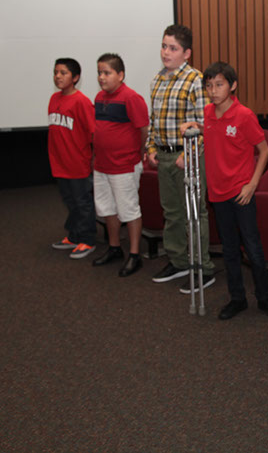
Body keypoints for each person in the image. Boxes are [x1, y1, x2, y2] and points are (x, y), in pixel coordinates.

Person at [180, 61, 268, 319]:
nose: (213, 91)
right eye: (209, 86)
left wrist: (252, 184)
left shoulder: (244, 115)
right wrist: (196, 127)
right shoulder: (208, 112)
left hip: (241, 191)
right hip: (217, 192)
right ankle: (237, 298)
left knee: (252, 246)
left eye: (219, 85)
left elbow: (264, 151)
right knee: (229, 248)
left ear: (232, 85)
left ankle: (264, 298)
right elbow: (213, 135)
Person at [145, 25, 216, 293]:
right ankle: (178, 261)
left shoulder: (196, 80)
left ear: (186, 53)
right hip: (163, 156)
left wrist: (189, 154)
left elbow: (203, 124)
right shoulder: (157, 80)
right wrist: (151, 146)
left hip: (187, 158)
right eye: (164, 46)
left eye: (172, 48)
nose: (166, 52)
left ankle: (203, 267)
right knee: (172, 214)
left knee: (194, 215)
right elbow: (154, 121)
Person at [91, 53, 149, 277]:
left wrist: (138, 154)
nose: (101, 77)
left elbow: (143, 129)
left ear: (120, 74)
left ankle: (135, 255)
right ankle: (114, 248)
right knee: (107, 209)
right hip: (102, 165)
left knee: (129, 210)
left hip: (124, 165)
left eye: (107, 73)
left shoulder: (131, 98)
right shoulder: (99, 97)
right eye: (99, 73)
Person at [48, 58, 97, 259]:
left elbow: (93, 133)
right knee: (70, 201)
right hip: (59, 163)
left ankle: (88, 240)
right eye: (56, 72)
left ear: (75, 77)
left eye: (63, 73)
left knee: (82, 202)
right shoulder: (53, 98)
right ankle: (74, 236)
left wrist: (92, 159)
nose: (58, 76)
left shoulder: (81, 101)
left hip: (77, 163)